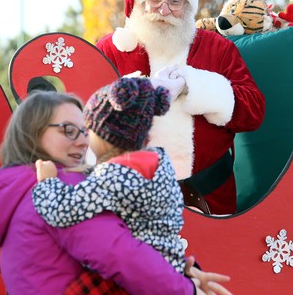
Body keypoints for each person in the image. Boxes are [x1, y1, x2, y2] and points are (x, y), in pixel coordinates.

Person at [0, 90, 232, 295]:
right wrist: (186, 289)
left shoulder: (23, 190)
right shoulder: (58, 188)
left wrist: (181, 272)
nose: (82, 142)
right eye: (68, 130)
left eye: (84, 130)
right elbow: (121, 255)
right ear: (31, 134)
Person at [96, 0, 266, 215]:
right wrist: (143, 93)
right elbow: (88, 117)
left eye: (175, 1)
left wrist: (194, 85)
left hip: (211, 197)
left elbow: (253, 112)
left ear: (189, 6)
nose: (164, 10)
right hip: (130, 202)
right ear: (141, 0)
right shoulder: (110, 50)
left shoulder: (217, 48)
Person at [32, 77, 186, 273]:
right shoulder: (157, 163)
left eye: (89, 131)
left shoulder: (114, 176)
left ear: (107, 136)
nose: (85, 139)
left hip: (137, 273)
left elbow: (63, 211)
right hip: (168, 263)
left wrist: (47, 181)